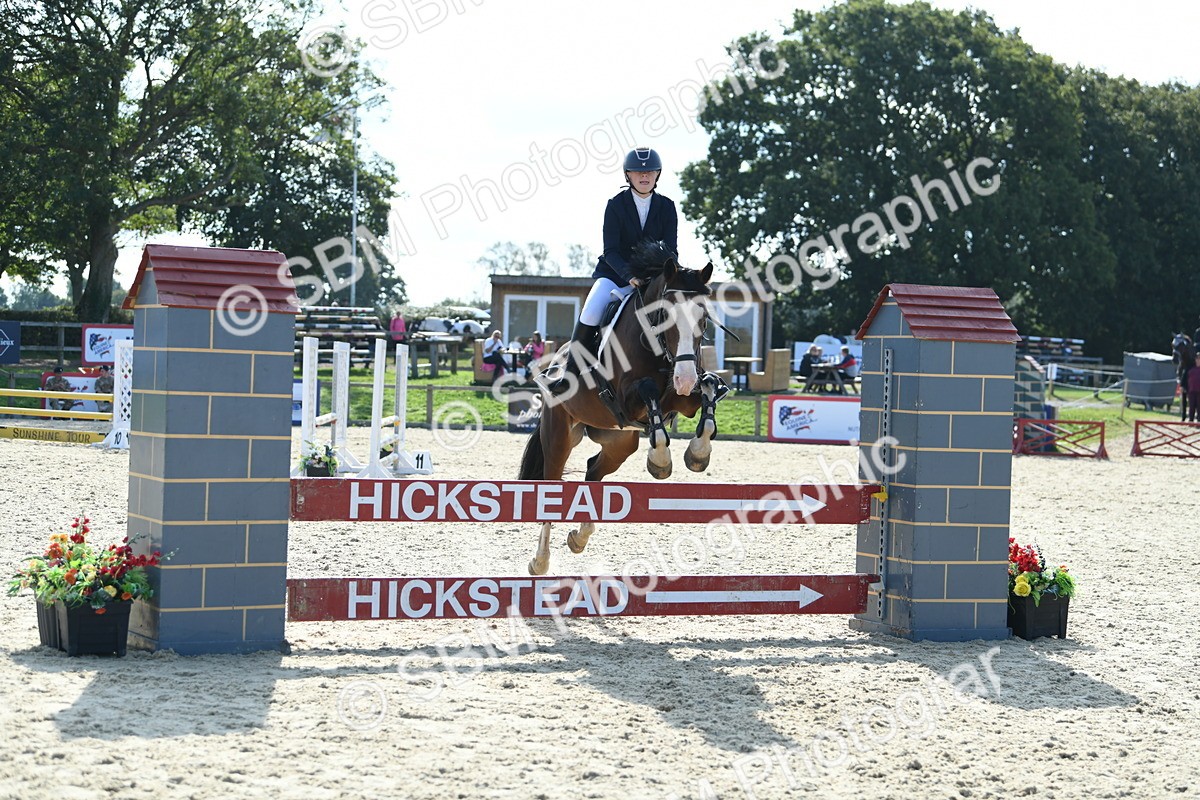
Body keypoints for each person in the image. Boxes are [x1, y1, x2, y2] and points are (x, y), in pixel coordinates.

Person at [546, 147, 679, 393]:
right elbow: (611, 250)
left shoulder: (667, 207)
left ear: (657, 175)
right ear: (627, 175)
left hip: (653, 280)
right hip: (615, 275)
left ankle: (686, 374)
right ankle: (569, 374)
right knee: (591, 309)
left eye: (650, 171)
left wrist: (665, 277)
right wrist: (630, 276)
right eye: (638, 172)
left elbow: (671, 250)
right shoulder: (616, 205)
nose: (644, 176)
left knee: (683, 311)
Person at [1189, 354, 1200, 423]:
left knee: (1199, 406)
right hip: (1192, 390)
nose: (1198, 360)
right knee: (1191, 406)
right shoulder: (1191, 370)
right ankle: (1191, 420)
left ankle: (1199, 420)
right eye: (1197, 359)